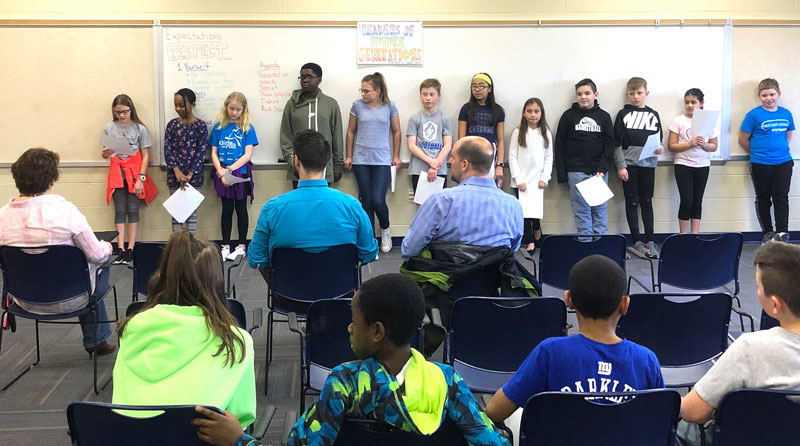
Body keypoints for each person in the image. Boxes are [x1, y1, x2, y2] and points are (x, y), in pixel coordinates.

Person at [194, 274, 510, 446]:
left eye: (354, 321)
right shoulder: (448, 381)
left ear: (376, 331)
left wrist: (238, 439)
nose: (348, 328)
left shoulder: (344, 382)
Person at [485, 255, 664, 425]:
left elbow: (494, 412)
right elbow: (661, 422)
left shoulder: (549, 352)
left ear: (568, 299)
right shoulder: (646, 360)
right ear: (625, 305)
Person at [113, 230, 256, 428]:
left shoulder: (131, 330)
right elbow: (239, 420)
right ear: (216, 282)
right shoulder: (235, 342)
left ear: (162, 276)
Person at [678, 241, 800, 445]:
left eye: (759, 287)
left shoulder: (751, 348)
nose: (757, 292)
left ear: (776, 304)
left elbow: (692, 413)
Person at [0, 148, 116, 356]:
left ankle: (97, 339)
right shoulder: (65, 211)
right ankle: (96, 340)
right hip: (72, 298)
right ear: (52, 180)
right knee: (98, 266)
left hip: (23, 300)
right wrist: (107, 247)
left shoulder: (2, 217)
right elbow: (97, 255)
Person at [248, 130, 378, 281]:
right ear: (327, 161)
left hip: (288, 300)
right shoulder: (352, 206)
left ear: (296, 161)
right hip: (341, 299)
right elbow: (369, 253)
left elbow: (256, 259)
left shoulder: (272, 209)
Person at [345, 72, 401, 253]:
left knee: (378, 200)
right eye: (361, 90)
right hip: (361, 160)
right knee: (366, 202)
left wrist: (397, 155)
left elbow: (397, 132)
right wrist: (349, 155)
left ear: (378, 91)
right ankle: (370, 242)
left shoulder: (390, 107)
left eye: (366, 91)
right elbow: (351, 131)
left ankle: (385, 230)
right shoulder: (357, 106)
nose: (363, 94)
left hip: (382, 160)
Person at [554, 78, 615, 236]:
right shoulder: (568, 116)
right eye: (579, 94)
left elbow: (610, 145)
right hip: (576, 172)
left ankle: (601, 248)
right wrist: (562, 174)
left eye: (587, 93)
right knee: (582, 212)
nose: (583, 97)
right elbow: (559, 145)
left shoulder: (604, 117)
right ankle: (586, 247)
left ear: (595, 94)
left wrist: (602, 169)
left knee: (600, 212)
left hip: (598, 173)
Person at [101, 94, 158, 265]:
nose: (122, 115)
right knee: (119, 210)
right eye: (118, 112)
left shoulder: (140, 128)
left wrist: (141, 179)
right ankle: (120, 248)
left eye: (125, 111)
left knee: (133, 210)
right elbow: (106, 152)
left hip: (135, 171)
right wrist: (105, 154)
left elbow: (146, 156)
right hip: (117, 171)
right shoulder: (109, 127)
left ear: (131, 110)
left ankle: (131, 248)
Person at [738, 78, 795, 243]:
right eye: (764, 95)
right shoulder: (753, 114)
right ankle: (768, 232)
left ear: (778, 94)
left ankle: (782, 232)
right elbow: (743, 139)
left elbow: (788, 134)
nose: (768, 98)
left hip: (783, 162)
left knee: (781, 197)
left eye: (772, 94)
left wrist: (779, 150)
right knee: (763, 197)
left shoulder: (786, 114)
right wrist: (758, 152)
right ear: (759, 96)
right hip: (760, 163)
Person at [614, 77, 664, 258]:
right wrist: (621, 166)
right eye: (632, 93)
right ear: (627, 94)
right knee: (631, 201)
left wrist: (660, 149)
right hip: (629, 166)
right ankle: (636, 241)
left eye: (639, 93)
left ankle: (650, 240)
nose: (636, 97)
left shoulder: (653, 114)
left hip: (649, 165)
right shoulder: (622, 115)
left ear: (646, 93)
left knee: (647, 201)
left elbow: (659, 140)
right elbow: (616, 143)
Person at [210, 91, 259, 261]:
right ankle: (225, 245)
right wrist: (220, 170)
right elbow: (214, 152)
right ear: (226, 107)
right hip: (222, 173)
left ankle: (241, 246)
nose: (234, 112)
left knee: (241, 209)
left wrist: (229, 169)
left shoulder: (247, 128)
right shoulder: (218, 128)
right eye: (231, 108)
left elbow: (247, 155)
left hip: (240, 174)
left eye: (238, 109)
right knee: (226, 209)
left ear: (243, 110)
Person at [279, 62, 344, 188]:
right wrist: (292, 161)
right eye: (302, 77)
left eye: (309, 77)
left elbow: (337, 136)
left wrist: (337, 165)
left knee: (323, 205)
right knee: (301, 205)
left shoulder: (330, 104)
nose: (305, 81)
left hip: (324, 168)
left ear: (319, 79)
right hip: (299, 168)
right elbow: (285, 135)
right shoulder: (292, 104)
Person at [668, 88, 719, 234]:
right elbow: (672, 146)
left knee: (697, 201)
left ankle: (694, 234)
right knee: (687, 200)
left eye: (693, 102)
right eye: (687, 102)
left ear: (701, 103)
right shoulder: (679, 121)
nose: (690, 105)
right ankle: (683, 235)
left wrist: (704, 144)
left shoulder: (709, 121)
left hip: (702, 165)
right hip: (683, 165)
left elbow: (714, 146)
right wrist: (690, 143)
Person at [508, 97, 553, 255]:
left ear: (541, 113)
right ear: (523, 113)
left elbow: (549, 157)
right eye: (529, 111)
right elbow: (512, 157)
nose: (533, 114)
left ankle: (537, 229)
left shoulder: (545, 132)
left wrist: (544, 177)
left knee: (534, 211)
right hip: (521, 181)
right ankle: (531, 241)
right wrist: (519, 179)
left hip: (537, 180)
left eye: (536, 111)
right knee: (524, 213)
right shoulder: (518, 132)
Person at [164, 87, 208, 233]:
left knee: (191, 217)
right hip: (174, 177)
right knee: (176, 216)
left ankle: (191, 250)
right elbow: (167, 149)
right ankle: (176, 250)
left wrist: (190, 175)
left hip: (193, 178)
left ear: (192, 104)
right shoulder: (172, 125)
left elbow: (201, 152)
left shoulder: (200, 126)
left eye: (182, 105)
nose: (178, 108)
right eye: (175, 105)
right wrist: (176, 171)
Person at [407, 78, 453, 207]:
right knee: (421, 206)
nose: (428, 98)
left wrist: (435, 165)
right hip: (419, 169)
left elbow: (448, 145)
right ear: (420, 96)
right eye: (424, 94)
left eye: (432, 94)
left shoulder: (445, 118)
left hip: (439, 170)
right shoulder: (414, 118)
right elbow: (411, 145)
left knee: (440, 206)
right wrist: (430, 162)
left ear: (438, 96)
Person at [458, 73, 506, 185]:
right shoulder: (466, 109)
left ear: (489, 89)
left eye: (481, 86)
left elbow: (501, 140)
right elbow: (461, 140)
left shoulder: (497, 110)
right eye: (474, 86)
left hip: (489, 158)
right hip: (470, 157)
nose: (477, 89)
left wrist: (499, 165)